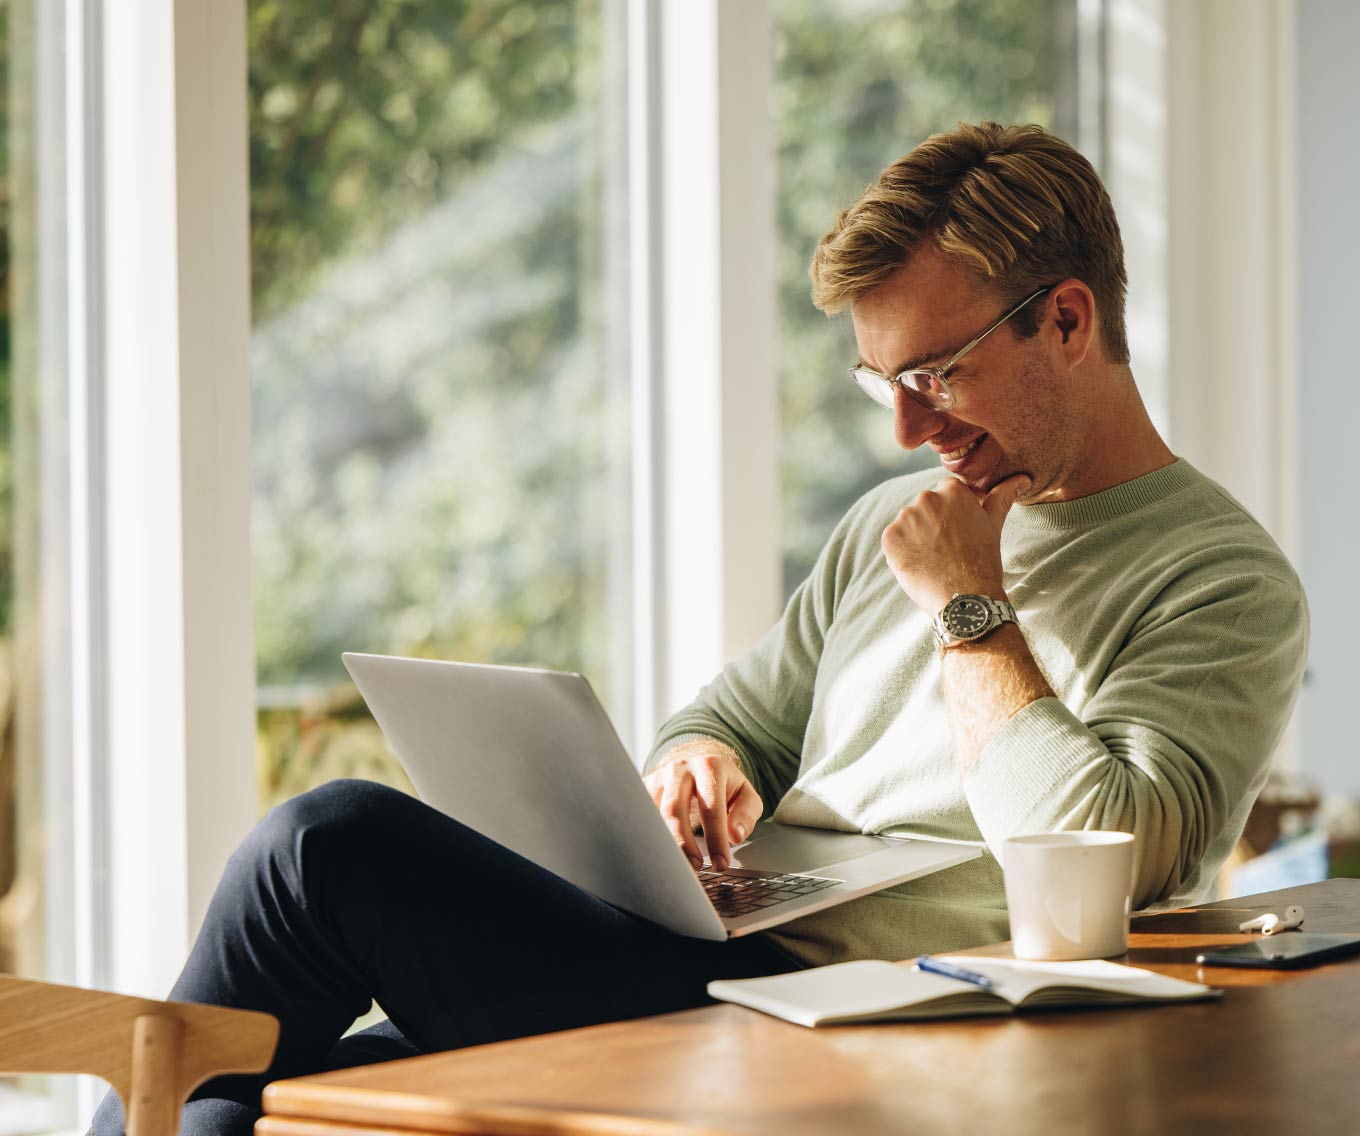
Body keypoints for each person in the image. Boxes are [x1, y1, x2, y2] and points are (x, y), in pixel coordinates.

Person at [92, 122, 1306, 1136]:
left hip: (876, 1017)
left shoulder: (1221, 579)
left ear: (1069, 319)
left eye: (933, 373)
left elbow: (1109, 846)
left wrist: (968, 606)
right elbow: (731, 716)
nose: (901, 430)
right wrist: (697, 765)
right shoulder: (892, 519)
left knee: (327, 844)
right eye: (877, 381)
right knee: (265, 1094)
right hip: (707, 961)